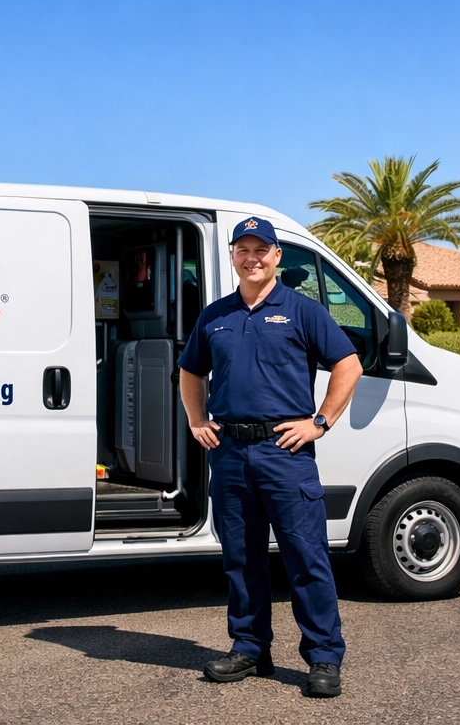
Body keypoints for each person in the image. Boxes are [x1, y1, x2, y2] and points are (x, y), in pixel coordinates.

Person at [178, 216, 363, 698]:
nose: (252, 257)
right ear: (234, 257)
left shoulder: (302, 311)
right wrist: (198, 420)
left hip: (286, 454)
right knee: (241, 558)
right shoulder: (214, 315)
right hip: (232, 453)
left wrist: (319, 422)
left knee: (306, 557)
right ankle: (249, 648)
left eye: (261, 249)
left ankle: (323, 657)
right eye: (243, 249)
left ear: (277, 256)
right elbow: (190, 373)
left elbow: (348, 363)